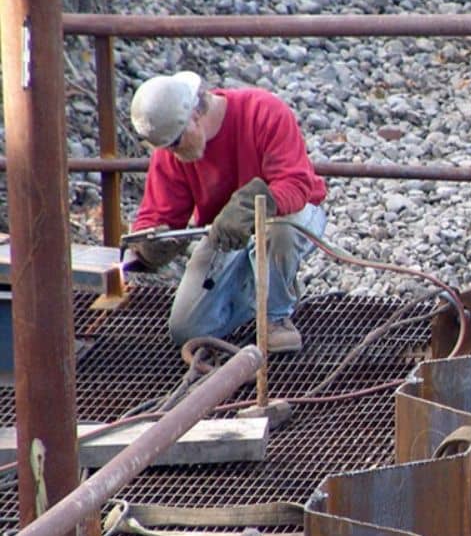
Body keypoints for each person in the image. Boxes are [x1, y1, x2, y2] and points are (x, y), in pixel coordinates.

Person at [126, 70, 327, 353]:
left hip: (288, 216)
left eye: (174, 144)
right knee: (188, 330)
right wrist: (150, 243)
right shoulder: (173, 151)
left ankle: (275, 317)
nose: (171, 153)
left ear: (194, 116)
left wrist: (256, 203)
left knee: (280, 230)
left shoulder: (262, 111)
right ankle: (261, 288)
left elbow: (297, 185)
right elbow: (157, 216)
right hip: (225, 233)